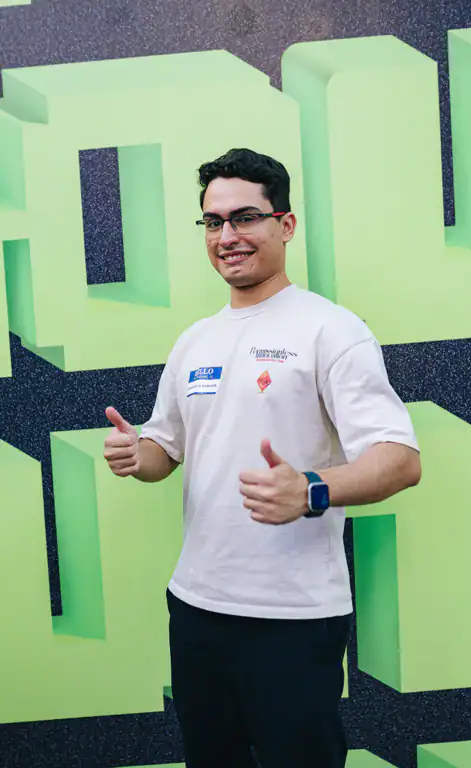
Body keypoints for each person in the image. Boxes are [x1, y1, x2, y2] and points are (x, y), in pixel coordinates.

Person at [103, 147, 421, 768]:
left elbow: (401, 458)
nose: (227, 237)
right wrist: (133, 454)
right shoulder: (195, 340)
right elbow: (164, 450)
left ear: (286, 224)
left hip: (292, 616)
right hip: (196, 606)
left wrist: (311, 489)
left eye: (246, 218)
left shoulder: (331, 330)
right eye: (213, 222)